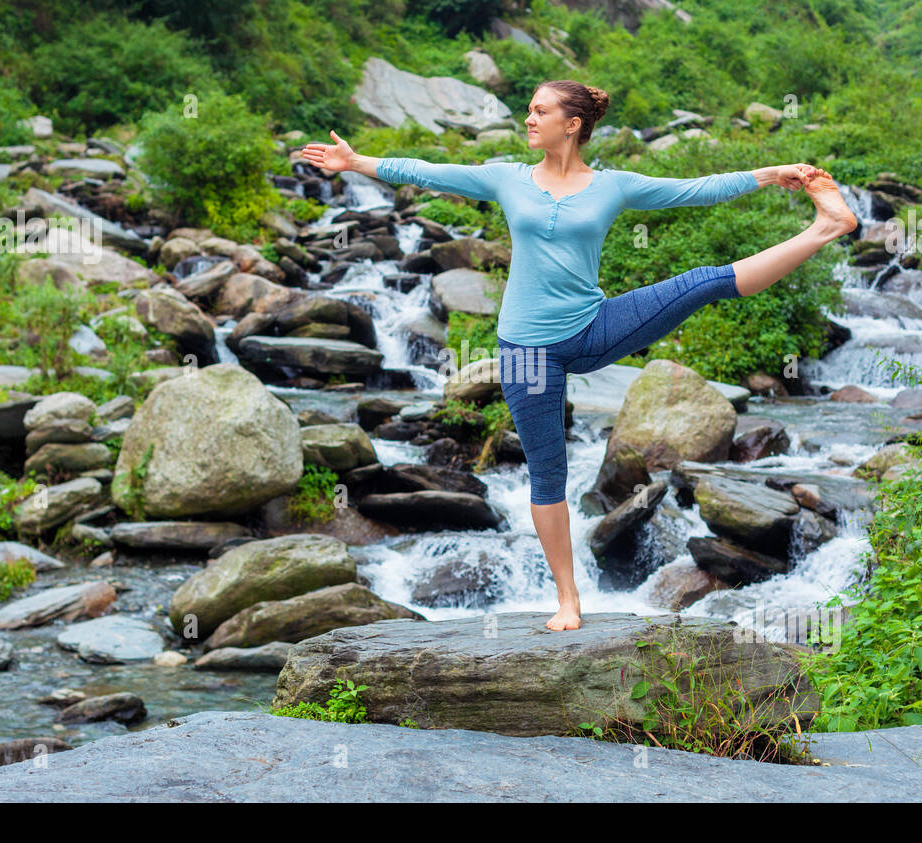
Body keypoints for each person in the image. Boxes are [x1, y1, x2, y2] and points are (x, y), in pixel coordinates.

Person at [301, 79, 858, 632]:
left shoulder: (611, 186)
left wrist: (770, 174)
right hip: (524, 350)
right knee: (548, 474)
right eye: (528, 110)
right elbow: (426, 172)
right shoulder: (505, 178)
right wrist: (355, 162)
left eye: (539, 111)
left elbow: (696, 190)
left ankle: (826, 227)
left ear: (572, 124)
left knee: (702, 282)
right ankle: (568, 601)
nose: (528, 118)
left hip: (594, 328)